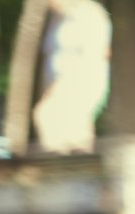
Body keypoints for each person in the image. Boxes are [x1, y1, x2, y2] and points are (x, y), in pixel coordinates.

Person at [33, 0, 112, 154]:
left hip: (82, 78)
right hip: (61, 82)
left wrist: (62, 84)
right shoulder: (57, 20)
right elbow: (51, 57)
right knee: (71, 131)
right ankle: (71, 167)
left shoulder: (88, 13)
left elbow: (94, 53)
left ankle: (62, 165)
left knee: (46, 116)